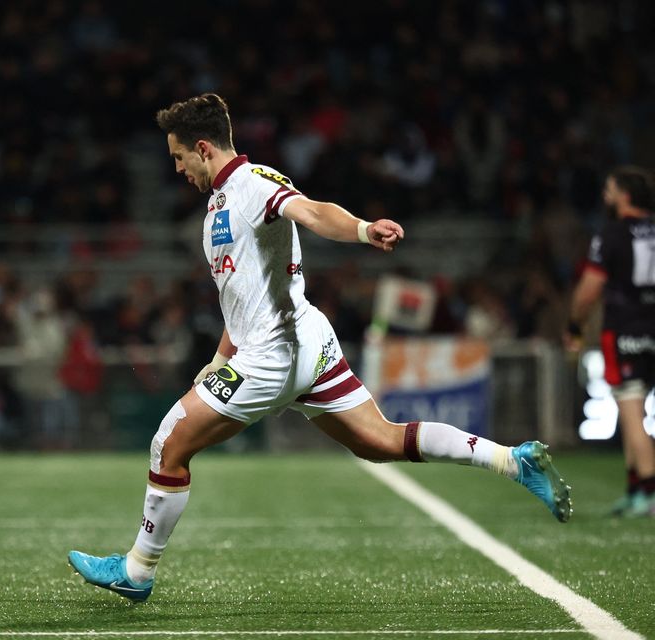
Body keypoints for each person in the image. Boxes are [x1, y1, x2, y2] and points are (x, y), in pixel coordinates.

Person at [68, 93, 572, 602]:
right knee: (379, 441)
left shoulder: (251, 184)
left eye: (178, 157)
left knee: (168, 443)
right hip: (304, 340)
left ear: (203, 148)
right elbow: (240, 298)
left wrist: (361, 229)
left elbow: (311, 211)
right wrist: (218, 362)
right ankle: (512, 460)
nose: (175, 168)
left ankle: (137, 571)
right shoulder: (219, 206)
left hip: (273, 355)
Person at [568, 166, 655, 517]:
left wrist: (574, 324)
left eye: (610, 189)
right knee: (635, 409)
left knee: (631, 412)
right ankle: (635, 489)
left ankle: (648, 490)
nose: (605, 196)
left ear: (625, 195)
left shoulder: (612, 233)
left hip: (624, 330)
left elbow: (590, 288)